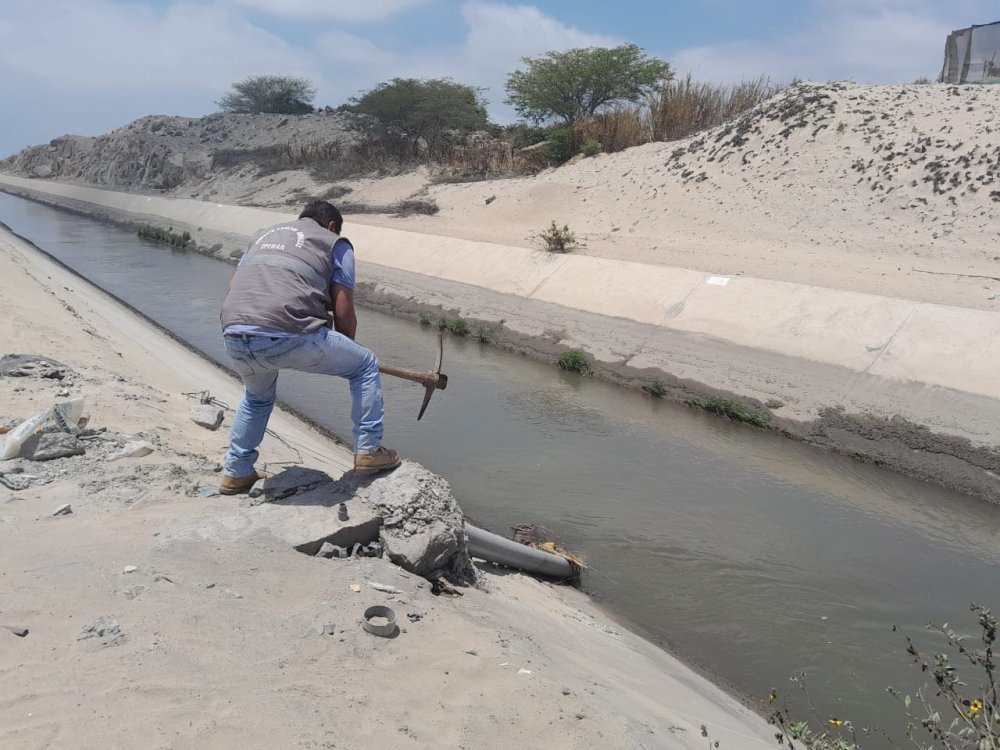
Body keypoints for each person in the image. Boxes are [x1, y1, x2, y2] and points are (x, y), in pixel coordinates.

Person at [217, 200, 400, 494]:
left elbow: (233, 290)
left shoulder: (263, 235)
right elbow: (343, 311)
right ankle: (368, 449)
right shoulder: (335, 242)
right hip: (287, 333)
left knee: (256, 398)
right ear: (331, 226)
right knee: (365, 365)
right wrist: (343, 353)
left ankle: (236, 473)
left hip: (234, 333)